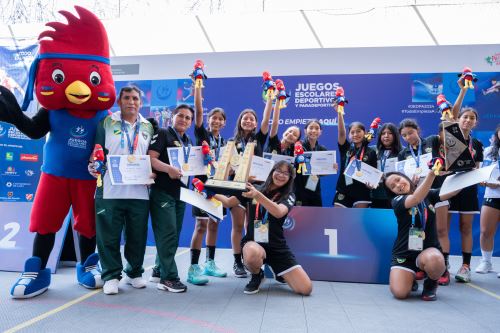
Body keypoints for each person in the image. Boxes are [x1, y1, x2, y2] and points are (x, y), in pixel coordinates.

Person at [90, 86, 153, 295]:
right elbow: (96, 153)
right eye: (127, 98)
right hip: (109, 190)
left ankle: (134, 272)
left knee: (137, 236)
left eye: (135, 98)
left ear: (141, 103)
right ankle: (110, 275)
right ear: (119, 101)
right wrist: (93, 165)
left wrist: (152, 173)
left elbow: (153, 158)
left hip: (139, 192)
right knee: (108, 236)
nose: (131, 102)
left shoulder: (148, 127)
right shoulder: (106, 123)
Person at [215, 161, 312, 295]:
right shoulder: (254, 188)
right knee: (251, 254)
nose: (281, 175)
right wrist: (208, 191)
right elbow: (228, 202)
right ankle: (257, 275)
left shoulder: (289, 195)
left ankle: (277, 269)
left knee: (305, 289)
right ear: (272, 172)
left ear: (290, 178)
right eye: (278, 171)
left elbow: (278, 212)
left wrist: (257, 195)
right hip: (254, 243)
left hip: (277, 247)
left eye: (286, 173)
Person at [383, 170, 458, 301]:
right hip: (404, 255)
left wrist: (468, 174)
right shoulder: (397, 201)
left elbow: (452, 190)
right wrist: (431, 174)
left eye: (398, 179)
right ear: (393, 192)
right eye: (393, 186)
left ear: (405, 177)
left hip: (427, 251)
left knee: (435, 259)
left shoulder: (429, 194)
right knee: (400, 293)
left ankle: (430, 284)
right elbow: (416, 198)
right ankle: (410, 278)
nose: (398, 185)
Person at [148, 104, 194, 293]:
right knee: (167, 234)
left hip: (180, 193)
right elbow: (151, 159)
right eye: (180, 116)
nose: (184, 119)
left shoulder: (187, 140)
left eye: (187, 117)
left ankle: (158, 270)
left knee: (173, 235)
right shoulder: (163, 133)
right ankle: (168, 278)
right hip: (163, 192)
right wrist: (168, 169)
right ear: (172, 117)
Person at [187, 79, 228, 285]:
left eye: (221, 119)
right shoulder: (201, 134)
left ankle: (209, 264)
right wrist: (198, 85)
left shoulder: (225, 142)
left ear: (224, 123)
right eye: (214, 118)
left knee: (214, 225)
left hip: (218, 187)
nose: (217, 121)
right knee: (200, 226)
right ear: (208, 119)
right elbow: (199, 111)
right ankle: (193, 268)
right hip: (200, 185)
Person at [228, 98, 273, 278]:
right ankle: (237, 261)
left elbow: (266, 118)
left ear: (256, 123)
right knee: (238, 226)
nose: (248, 121)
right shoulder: (231, 141)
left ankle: (252, 259)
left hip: (257, 188)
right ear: (240, 121)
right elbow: (228, 166)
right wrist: (233, 170)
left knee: (253, 225)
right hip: (237, 187)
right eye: (245, 118)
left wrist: (270, 98)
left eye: (251, 119)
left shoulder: (259, 138)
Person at [446, 81, 484, 283]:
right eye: (465, 117)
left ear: (475, 123)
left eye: (472, 118)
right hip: (450, 185)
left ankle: (466, 266)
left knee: (466, 227)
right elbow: (451, 113)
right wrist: (462, 90)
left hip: (468, 188)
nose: (468, 120)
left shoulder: (477, 143)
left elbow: (477, 168)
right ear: (458, 120)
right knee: (443, 226)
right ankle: (444, 264)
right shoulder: (451, 135)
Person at [334, 109, 377, 208]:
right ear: (348, 135)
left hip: (362, 190)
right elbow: (341, 133)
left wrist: (371, 184)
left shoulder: (371, 152)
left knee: (358, 221)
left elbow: (373, 174)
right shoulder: (345, 147)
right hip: (343, 189)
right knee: (338, 219)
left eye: (358, 131)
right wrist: (339, 113)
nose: (355, 134)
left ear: (365, 133)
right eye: (352, 132)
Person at [476, 124, 500, 275]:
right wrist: (480, 178)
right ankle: (486, 262)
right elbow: (480, 170)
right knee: (485, 231)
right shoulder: (490, 151)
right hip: (492, 195)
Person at [370, 123, 402, 208]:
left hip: (395, 194)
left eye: (390, 133)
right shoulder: (373, 150)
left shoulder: (403, 151)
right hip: (375, 195)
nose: (386, 136)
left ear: (395, 135)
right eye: (383, 133)